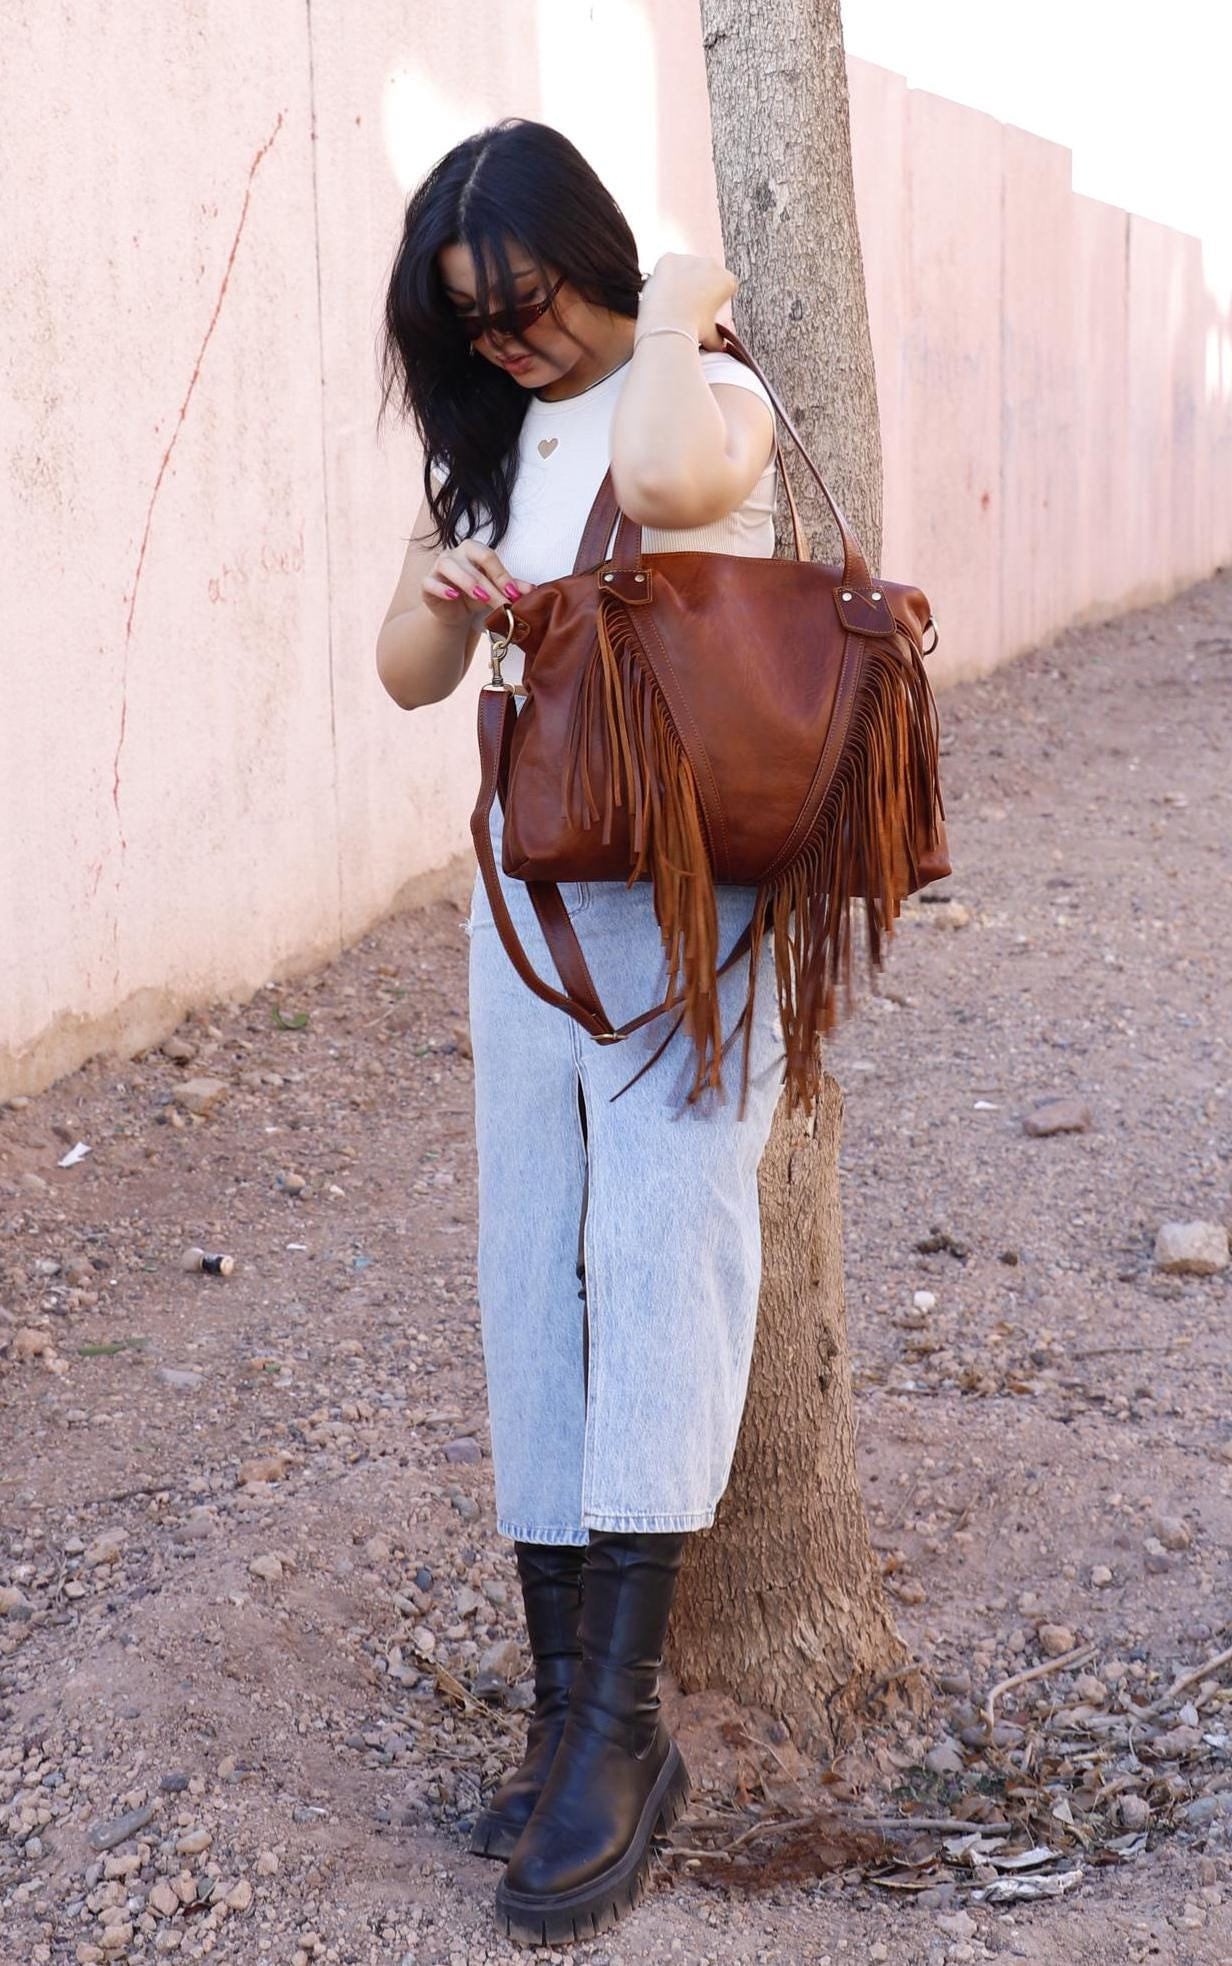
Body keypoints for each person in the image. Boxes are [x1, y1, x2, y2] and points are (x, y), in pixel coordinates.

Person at [375, 116, 789, 1948]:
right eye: (470, 322)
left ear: (595, 262)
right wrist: (454, 592)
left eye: (526, 303)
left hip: (698, 901)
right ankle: (562, 1711)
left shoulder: (710, 397)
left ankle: (627, 1732)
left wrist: (683, 304)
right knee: (526, 1263)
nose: (505, 346)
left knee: (659, 1246)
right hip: (529, 898)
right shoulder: (480, 446)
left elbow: (674, 490)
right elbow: (399, 666)